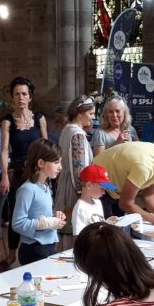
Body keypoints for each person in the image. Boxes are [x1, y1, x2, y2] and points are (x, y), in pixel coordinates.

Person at [0, 77, 48, 269]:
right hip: (18, 173)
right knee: (17, 214)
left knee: (39, 211)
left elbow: (47, 146)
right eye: (17, 94)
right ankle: (11, 255)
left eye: (24, 94)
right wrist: (4, 175)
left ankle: (39, 249)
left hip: (39, 172)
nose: (20, 97)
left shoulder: (39, 118)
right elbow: (4, 150)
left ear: (30, 97)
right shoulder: (7, 121)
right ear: (12, 97)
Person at [11, 139, 66, 265]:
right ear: (41, 163)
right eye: (56, 162)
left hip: (48, 246)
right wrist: (45, 223)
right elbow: (17, 223)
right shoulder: (27, 189)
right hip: (34, 249)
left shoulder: (45, 186)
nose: (60, 167)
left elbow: (39, 214)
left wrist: (54, 219)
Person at [54, 95, 96, 233]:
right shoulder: (77, 135)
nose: (93, 117)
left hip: (64, 184)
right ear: (79, 113)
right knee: (75, 229)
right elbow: (80, 171)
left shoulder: (66, 130)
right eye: (90, 113)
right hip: (73, 190)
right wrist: (83, 196)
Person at [71, 165, 116, 236]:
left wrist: (108, 222)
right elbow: (78, 237)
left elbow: (98, 225)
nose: (104, 192)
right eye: (102, 189)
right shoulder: (80, 208)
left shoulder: (98, 202)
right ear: (89, 185)